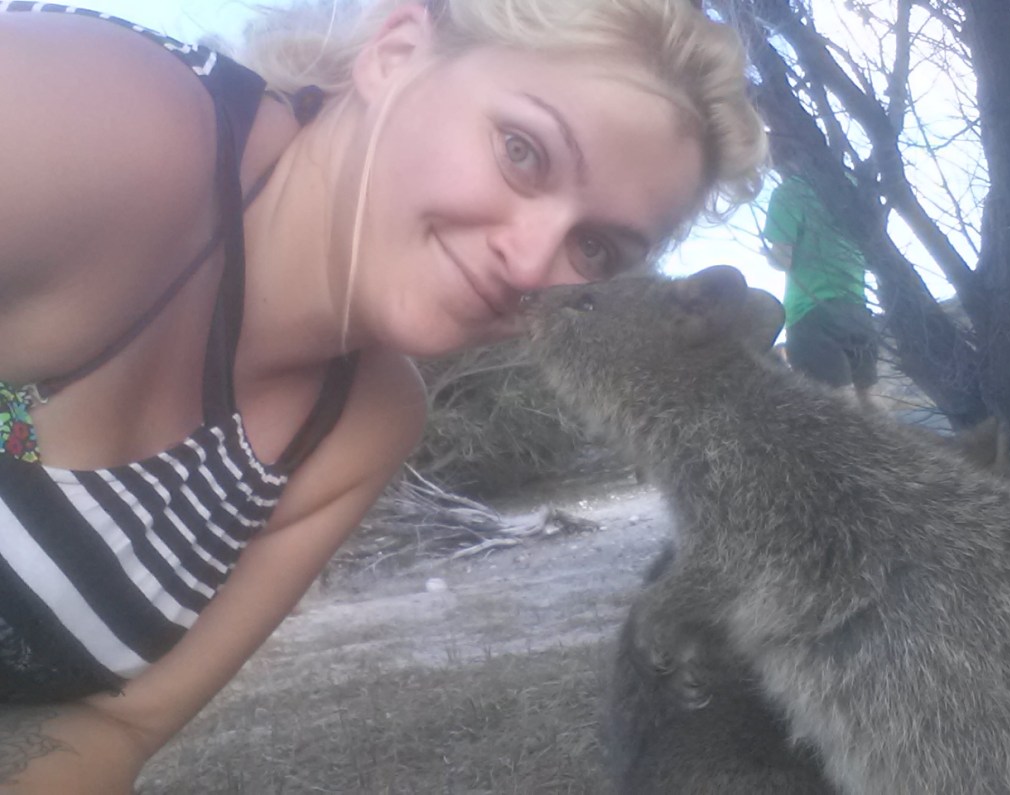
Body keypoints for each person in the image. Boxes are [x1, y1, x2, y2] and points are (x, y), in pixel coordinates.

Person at [0, 0, 766, 790]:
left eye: (596, 246)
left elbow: (112, 723)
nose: (535, 263)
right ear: (396, 51)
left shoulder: (360, 423)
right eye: (522, 150)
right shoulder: (104, 121)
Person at [762, 161, 878, 407]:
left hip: (812, 311)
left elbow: (783, 259)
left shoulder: (790, 191)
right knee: (869, 401)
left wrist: (769, 254)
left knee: (835, 409)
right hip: (858, 309)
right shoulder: (851, 187)